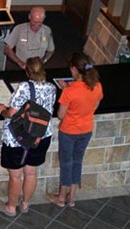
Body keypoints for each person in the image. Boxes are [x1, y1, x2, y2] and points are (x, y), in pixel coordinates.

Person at [0, 57, 56, 217]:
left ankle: (10, 207)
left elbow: (12, 113)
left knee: (16, 176)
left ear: (27, 71)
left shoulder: (24, 87)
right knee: (31, 173)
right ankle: (25, 204)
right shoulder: (51, 87)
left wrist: (1, 109)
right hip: (41, 136)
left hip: (18, 139)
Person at [46, 52, 103, 208]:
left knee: (66, 163)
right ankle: (72, 198)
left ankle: (61, 198)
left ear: (75, 70)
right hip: (86, 130)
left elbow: (60, 114)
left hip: (69, 131)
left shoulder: (69, 91)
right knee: (77, 162)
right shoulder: (97, 86)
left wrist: (66, 90)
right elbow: (95, 106)